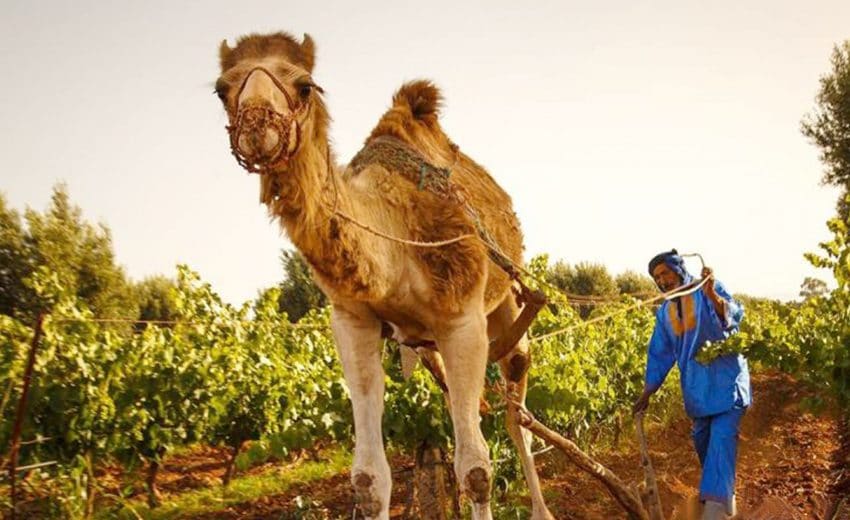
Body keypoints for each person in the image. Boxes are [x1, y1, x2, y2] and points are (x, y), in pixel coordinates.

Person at [632, 249, 750, 520]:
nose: (662, 281)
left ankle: (714, 511)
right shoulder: (665, 312)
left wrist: (711, 294)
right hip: (697, 392)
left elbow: (734, 317)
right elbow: (659, 354)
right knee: (703, 442)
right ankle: (724, 498)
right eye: (657, 277)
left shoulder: (707, 289)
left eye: (665, 273)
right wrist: (647, 392)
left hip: (726, 384)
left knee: (721, 441)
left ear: (679, 269)